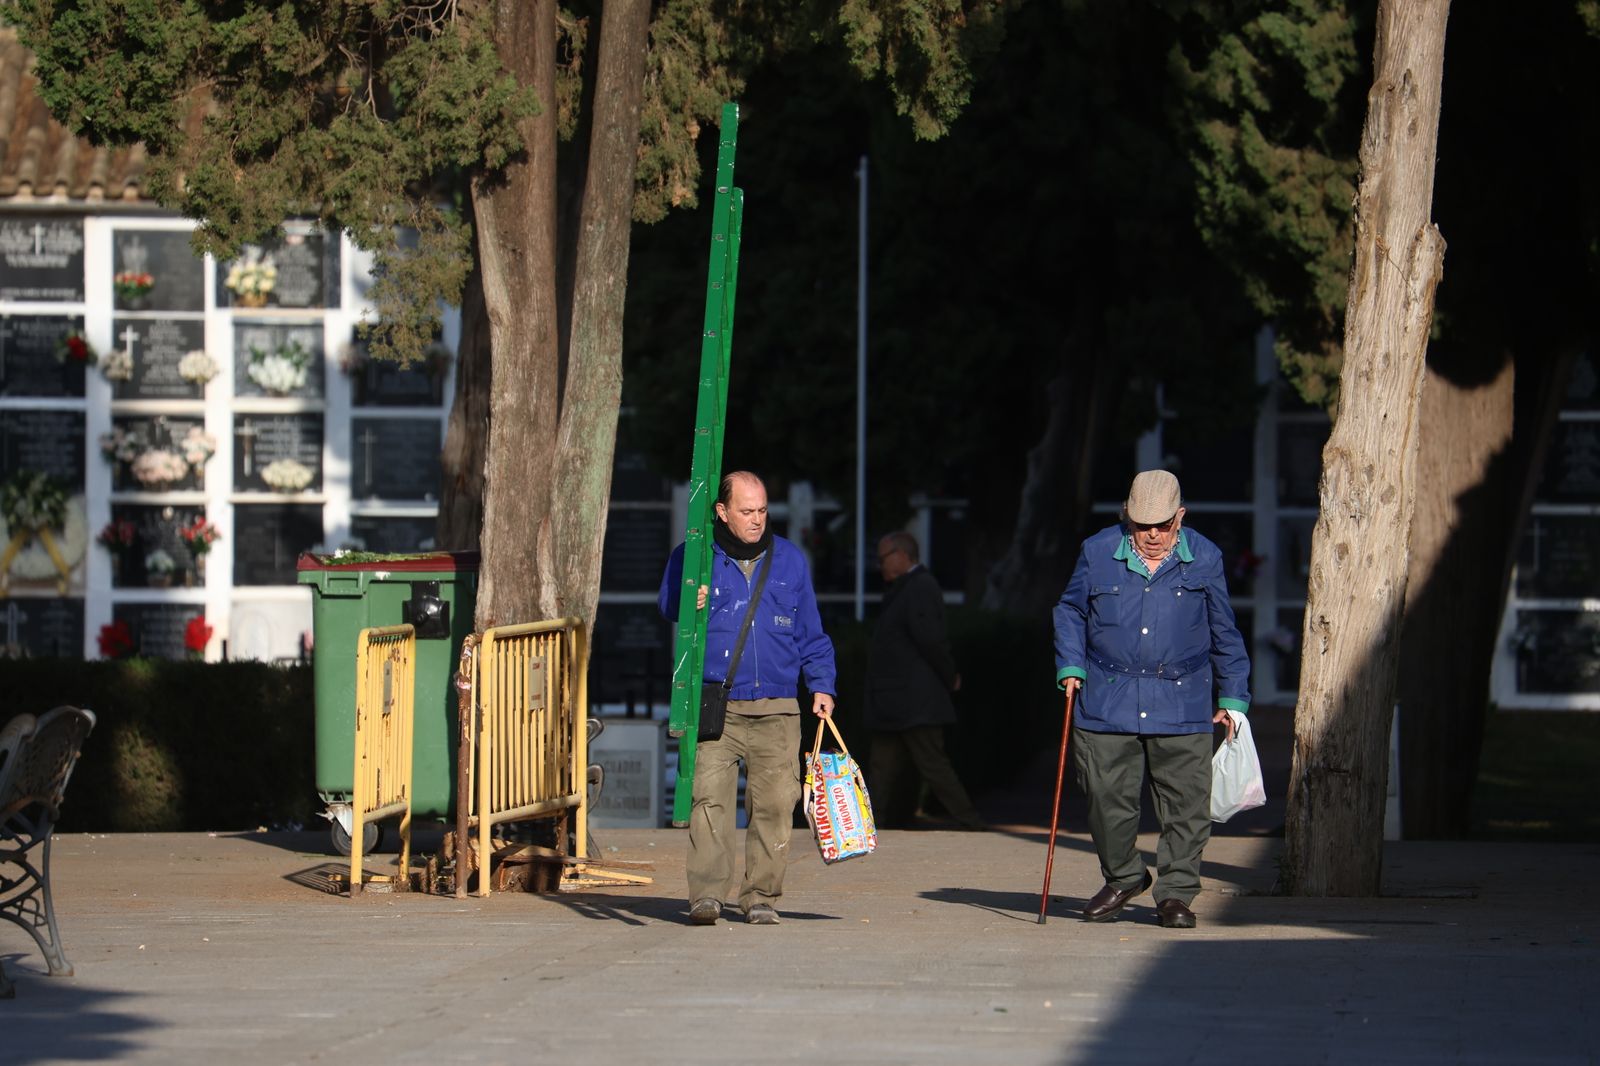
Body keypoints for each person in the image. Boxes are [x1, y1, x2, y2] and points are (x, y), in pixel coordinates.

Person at [1052, 470, 1251, 928]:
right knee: (1104, 798)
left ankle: (1176, 893)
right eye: (1143, 526)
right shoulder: (1098, 551)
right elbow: (1070, 609)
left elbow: (1224, 628)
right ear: (1127, 516)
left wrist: (1233, 697)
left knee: (1186, 806)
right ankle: (1124, 878)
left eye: (1163, 524)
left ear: (1180, 516)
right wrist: (1071, 663)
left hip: (1182, 700)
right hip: (1107, 698)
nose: (1154, 535)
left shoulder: (1205, 556)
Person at [658, 471, 836, 926]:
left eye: (762, 510)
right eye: (746, 511)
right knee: (709, 804)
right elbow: (667, 605)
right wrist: (689, 598)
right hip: (717, 704)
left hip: (778, 706)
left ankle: (761, 898)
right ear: (722, 511)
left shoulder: (790, 560)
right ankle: (706, 896)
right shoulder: (695, 556)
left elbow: (811, 631)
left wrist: (822, 684)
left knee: (775, 806)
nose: (757, 520)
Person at [864, 531, 984, 830]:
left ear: (902, 555)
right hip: (896, 701)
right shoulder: (909, 587)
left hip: (914, 700)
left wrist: (949, 675)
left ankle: (972, 824)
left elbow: (931, 639)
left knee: (931, 766)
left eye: (883, 558)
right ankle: (868, 827)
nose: (880, 565)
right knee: (883, 770)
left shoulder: (919, 586)